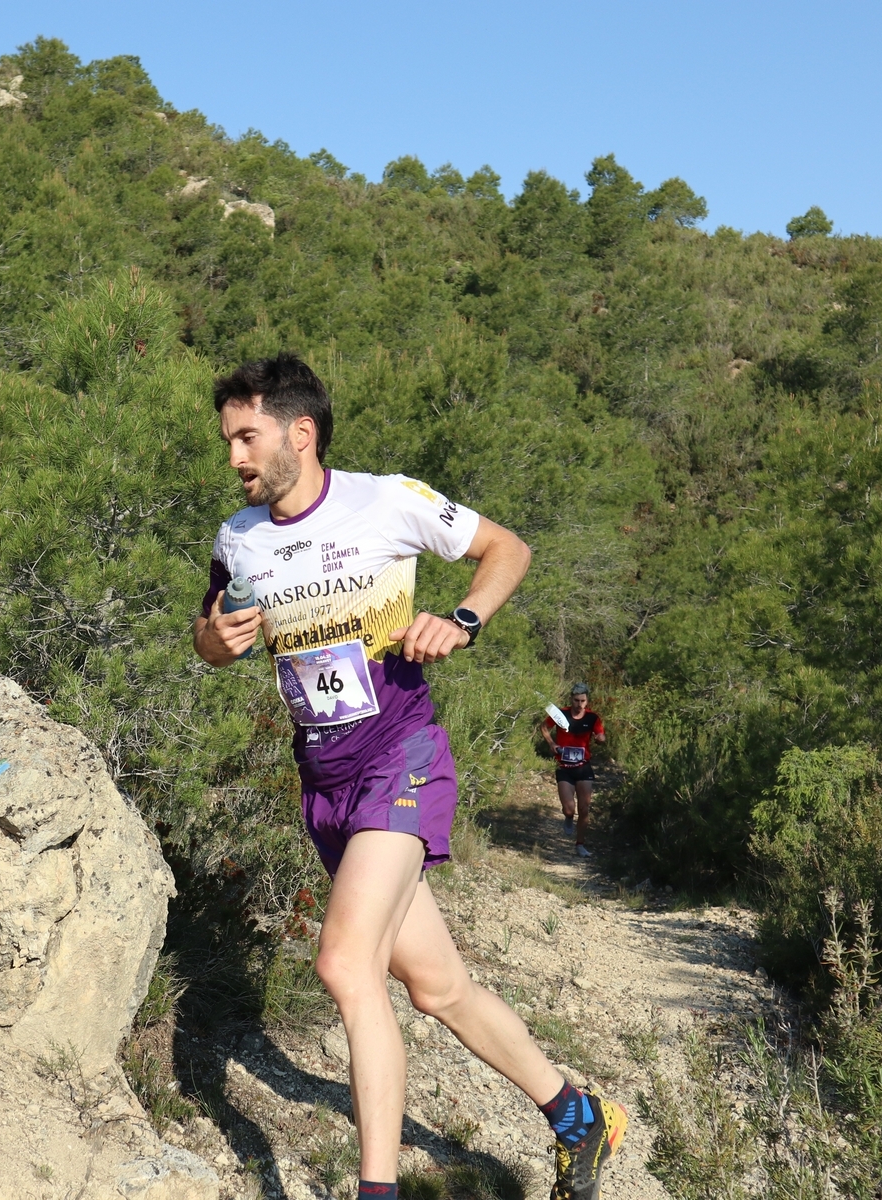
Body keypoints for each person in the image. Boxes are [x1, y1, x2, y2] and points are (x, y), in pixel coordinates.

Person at [193, 354, 629, 1200]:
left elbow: (507, 549)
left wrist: (463, 618)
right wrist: (216, 641)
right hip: (324, 782)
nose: (234, 457)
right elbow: (207, 636)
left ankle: (376, 1190)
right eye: (228, 441)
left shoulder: (386, 500)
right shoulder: (237, 538)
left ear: (300, 433)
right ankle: (580, 1117)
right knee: (437, 986)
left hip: (401, 757)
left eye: (247, 438)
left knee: (344, 964)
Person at [541, 683, 608, 857]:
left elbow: (601, 735)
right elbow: (544, 727)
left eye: (583, 701)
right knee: (569, 808)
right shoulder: (560, 714)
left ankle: (580, 844)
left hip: (583, 767)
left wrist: (600, 739)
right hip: (564, 767)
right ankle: (569, 817)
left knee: (584, 808)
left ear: (587, 701)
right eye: (576, 700)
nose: (579, 704)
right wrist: (551, 743)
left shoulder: (592, 717)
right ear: (571, 699)